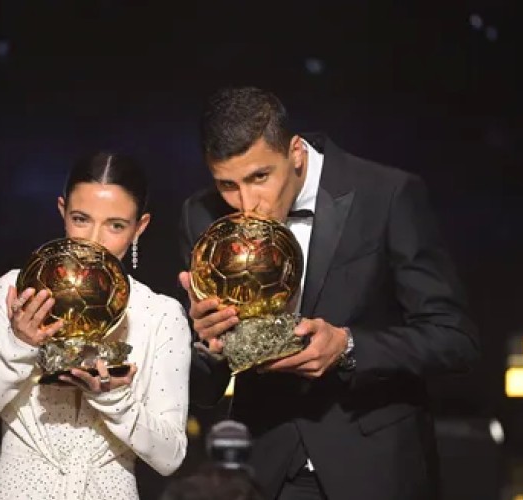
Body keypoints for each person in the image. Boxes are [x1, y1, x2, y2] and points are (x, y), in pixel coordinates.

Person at [176, 87, 481, 500]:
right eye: (228, 184)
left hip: (374, 469)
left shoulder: (387, 194)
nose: (247, 203)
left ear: (296, 152)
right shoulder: (204, 216)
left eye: (260, 177)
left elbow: (454, 339)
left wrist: (348, 346)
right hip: (264, 473)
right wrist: (208, 345)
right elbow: (205, 387)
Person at [0, 151, 192, 499]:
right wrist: (19, 345)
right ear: (62, 211)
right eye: (81, 219)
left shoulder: (160, 315)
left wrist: (113, 397)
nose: (94, 240)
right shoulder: (16, 292)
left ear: (139, 228)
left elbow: (170, 457)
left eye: (115, 225)